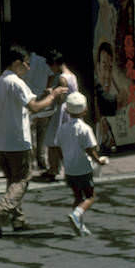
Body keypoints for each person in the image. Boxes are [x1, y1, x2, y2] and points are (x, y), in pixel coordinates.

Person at [0, 45, 69, 235]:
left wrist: (43, 97)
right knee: (23, 178)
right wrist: (53, 95)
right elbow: (34, 107)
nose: (29, 68)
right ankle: (1, 210)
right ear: (17, 63)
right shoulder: (16, 82)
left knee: (13, 182)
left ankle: (18, 220)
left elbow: (23, 104)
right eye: (26, 63)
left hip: (1, 142)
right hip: (17, 140)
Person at [56, 92, 109, 237]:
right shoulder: (85, 129)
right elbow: (90, 149)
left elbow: (58, 148)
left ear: (67, 110)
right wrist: (99, 161)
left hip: (69, 169)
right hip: (83, 168)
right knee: (90, 196)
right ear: (85, 110)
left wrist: (64, 161)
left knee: (77, 197)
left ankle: (80, 225)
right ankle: (76, 215)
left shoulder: (62, 129)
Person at [39, 49, 78, 181]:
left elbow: (60, 98)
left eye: (51, 65)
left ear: (55, 64)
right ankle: (68, 169)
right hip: (72, 110)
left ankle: (54, 169)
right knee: (63, 142)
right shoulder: (72, 76)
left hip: (62, 111)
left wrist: (51, 93)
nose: (51, 69)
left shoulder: (62, 78)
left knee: (53, 141)